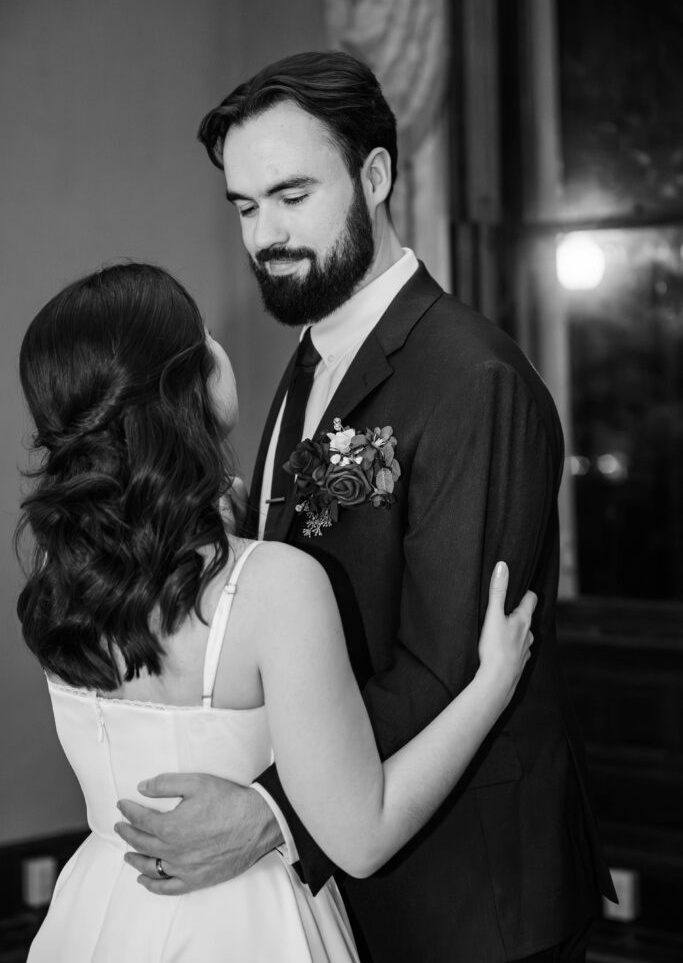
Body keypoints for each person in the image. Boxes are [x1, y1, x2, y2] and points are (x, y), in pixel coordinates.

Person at [119, 51, 617, 962]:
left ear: (374, 176)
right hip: (356, 888)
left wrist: (270, 810)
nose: (264, 232)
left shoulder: (474, 379)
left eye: (292, 195)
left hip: (471, 897)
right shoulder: (312, 356)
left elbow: (446, 663)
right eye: (244, 205)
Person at [17, 263, 535, 963]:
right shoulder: (274, 588)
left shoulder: (59, 570)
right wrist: (491, 687)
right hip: (250, 925)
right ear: (189, 387)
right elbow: (361, 837)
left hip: (104, 909)